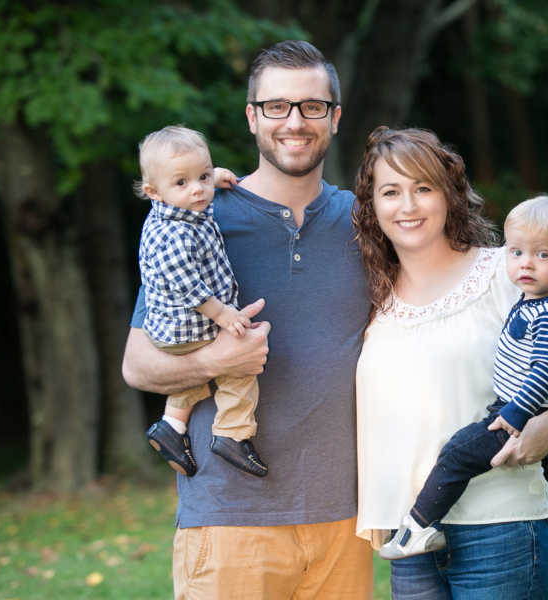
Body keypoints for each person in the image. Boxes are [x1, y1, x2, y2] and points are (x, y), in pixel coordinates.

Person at [121, 41, 373, 599]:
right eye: (277, 106)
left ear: (334, 116)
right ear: (252, 116)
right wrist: (219, 360)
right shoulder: (197, 218)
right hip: (230, 519)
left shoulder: (368, 221)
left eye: (311, 106)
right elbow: (138, 365)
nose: (294, 122)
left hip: (345, 520)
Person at [352, 127, 548, 599]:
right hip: (410, 537)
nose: (408, 205)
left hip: (502, 526)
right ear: (372, 206)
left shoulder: (507, 271)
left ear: (450, 195)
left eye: (423, 188)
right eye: (391, 192)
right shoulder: (374, 298)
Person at [379, 195, 548, 560]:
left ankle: (418, 527)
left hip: (516, 414)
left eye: (543, 255)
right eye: (516, 252)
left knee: (457, 453)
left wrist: (518, 415)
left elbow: (545, 372)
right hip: (532, 415)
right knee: (547, 455)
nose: (526, 265)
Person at [135, 125, 268, 479]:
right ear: (154, 191)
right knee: (239, 366)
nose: (197, 189)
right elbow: (188, 288)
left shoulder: (181, 206)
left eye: (203, 176)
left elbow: (196, 182)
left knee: (197, 380)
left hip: (174, 327)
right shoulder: (174, 233)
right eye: (183, 182)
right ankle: (232, 434)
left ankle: (171, 427)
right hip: (189, 325)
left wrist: (216, 176)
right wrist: (224, 316)